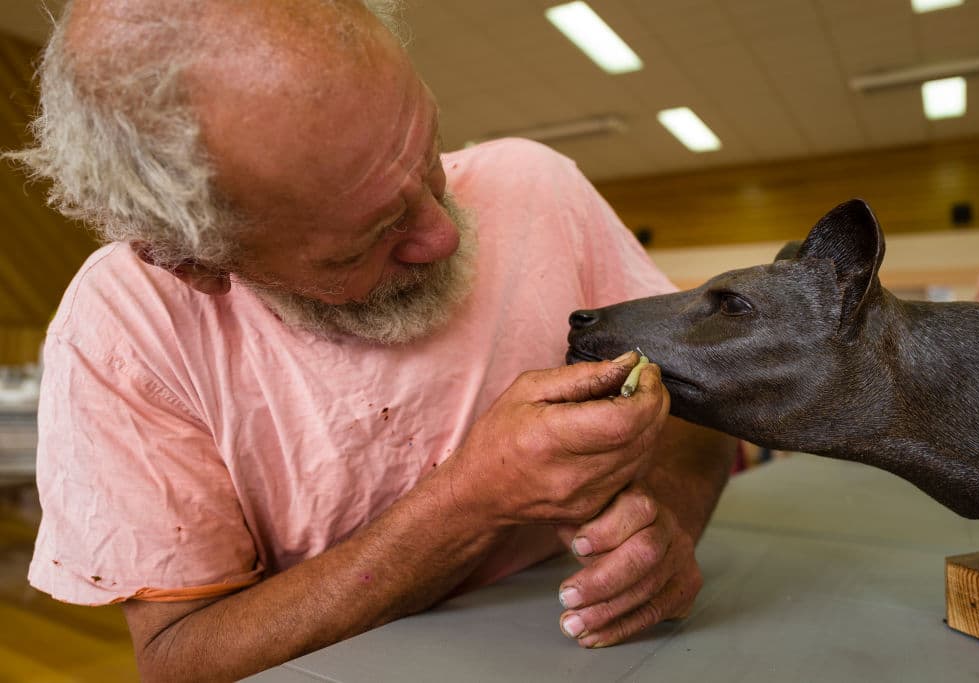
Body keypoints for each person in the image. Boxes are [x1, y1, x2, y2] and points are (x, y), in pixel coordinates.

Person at [8, 1, 736, 680]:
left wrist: (664, 520)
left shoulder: (537, 185)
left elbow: (700, 403)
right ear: (198, 264)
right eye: (368, 239)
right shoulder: (126, 333)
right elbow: (179, 656)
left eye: (429, 158)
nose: (444, 232)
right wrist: (471, 498)